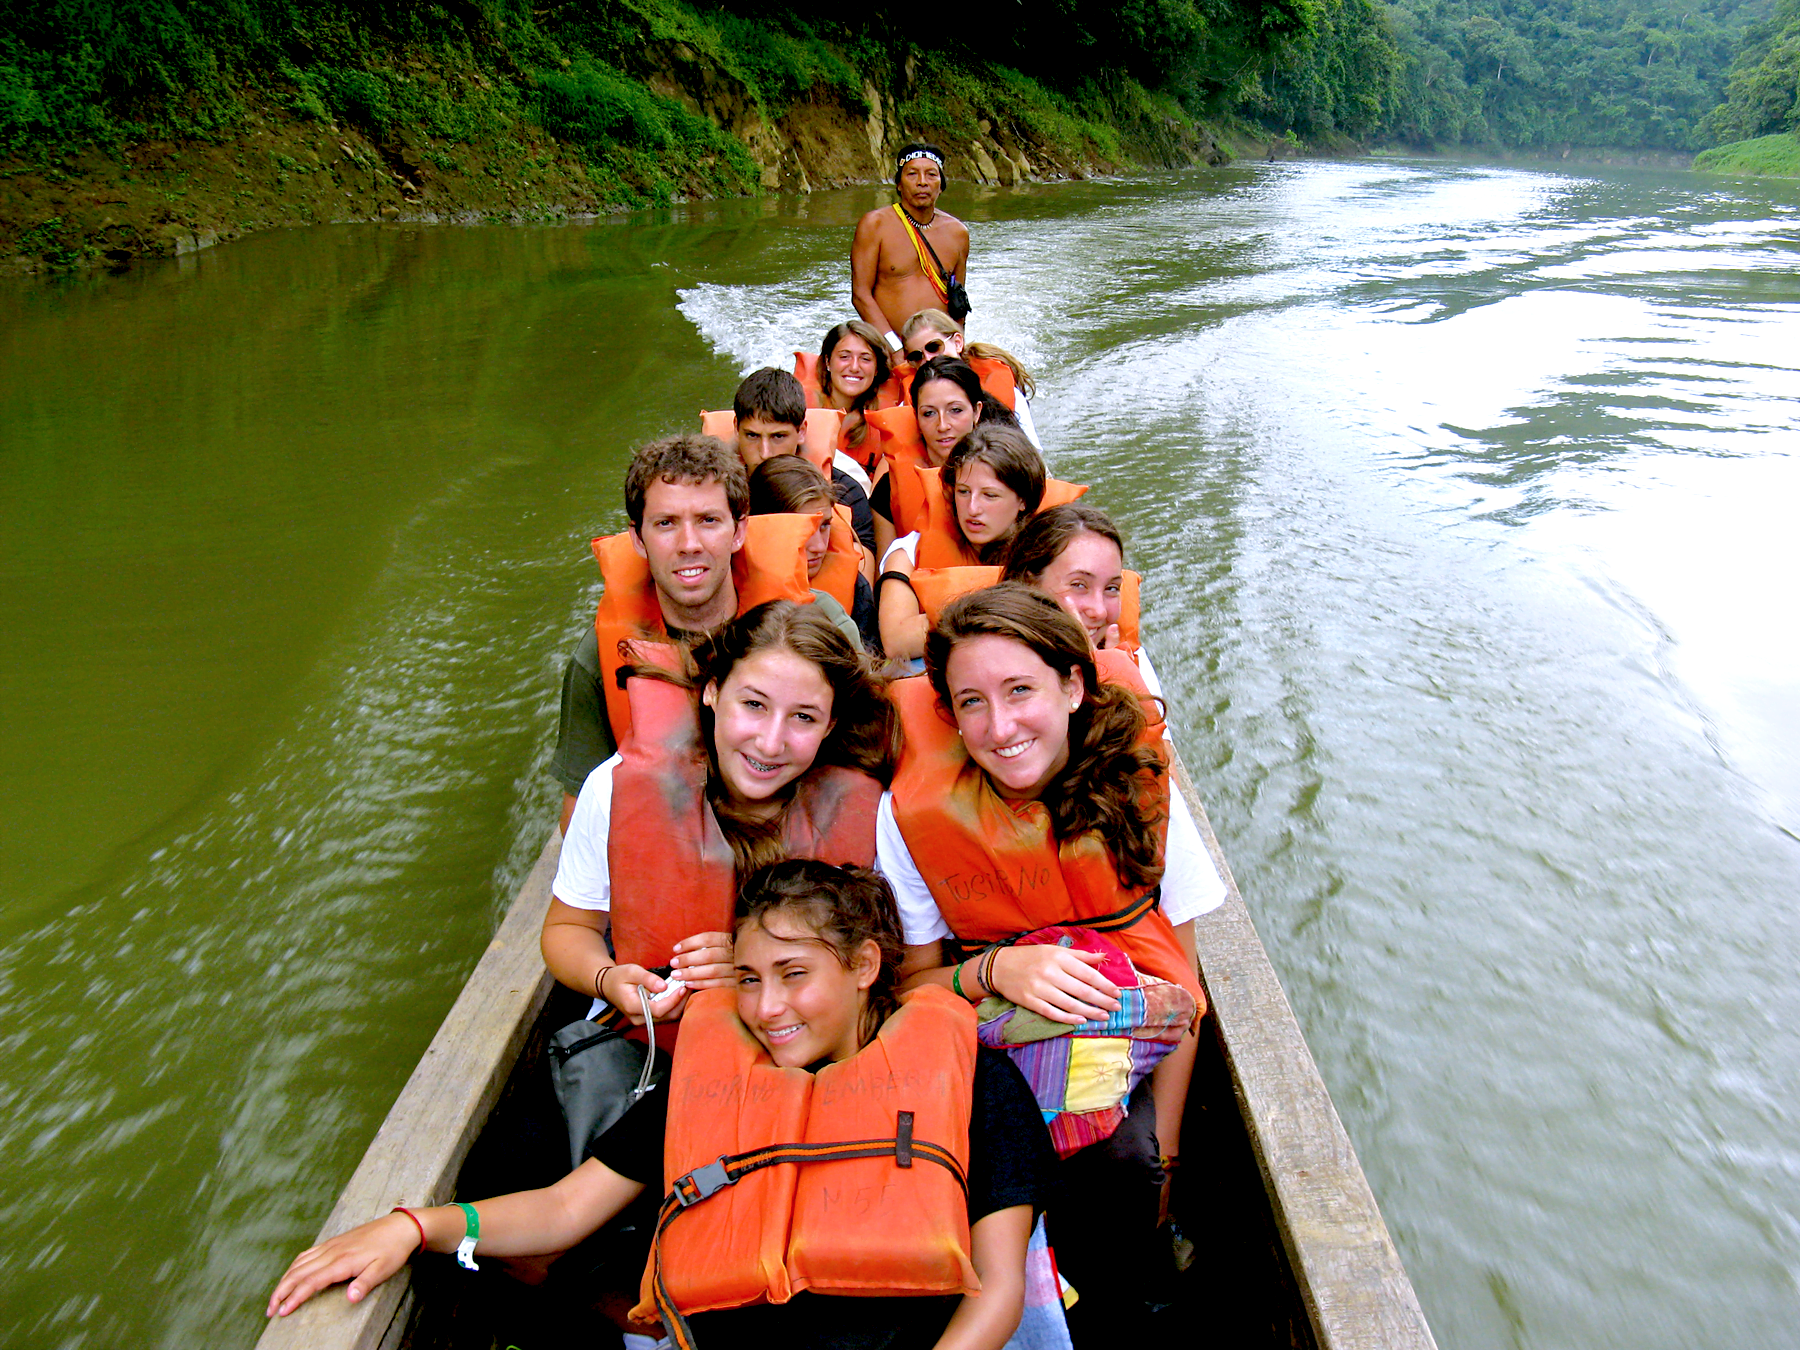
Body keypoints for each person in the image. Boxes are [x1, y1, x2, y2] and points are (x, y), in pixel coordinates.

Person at [268, 860, 1055, 1350]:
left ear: (863, 966)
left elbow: (998, 1293)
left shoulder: (974, 1082)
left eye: (793, 974)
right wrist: (417, 1225)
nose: (767, 1006)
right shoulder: (713, 1083)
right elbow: (564, 1210)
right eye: (746, 979)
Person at [876, 584, 1220, 1338]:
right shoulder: (911, 814)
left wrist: (1169, 1154)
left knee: (1126, 1156)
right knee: (993, 1143)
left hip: (1126, 1026)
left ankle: (1120, 1303)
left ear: (1071, 686)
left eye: (1020, 690)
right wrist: (996, 971)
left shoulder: (1142, 785)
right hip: (986, 1028)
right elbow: (912, 989)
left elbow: (1183, 990)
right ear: (948, 711)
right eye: (971, 701)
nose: (999, 727)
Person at [544, 601, 897, 1030]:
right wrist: (607, 979)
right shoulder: (616, 788)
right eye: (753, 705)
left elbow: (882, 968)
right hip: (656, 1049)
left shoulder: (872, 810)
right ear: (712, 690)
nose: (770, 743)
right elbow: (567, 928)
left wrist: (751, 967)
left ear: (829, 725)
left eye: (803, 717)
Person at [550, 435, 860, 833]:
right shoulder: (599, 658)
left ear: (738, 530)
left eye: (708, 520)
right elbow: (577, 818)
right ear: (638, 539)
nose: (689, 545)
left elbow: (869, 755)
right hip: (673, 856)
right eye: (666, 524)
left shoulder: (820, 621)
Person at [877, 425, 1045, 662]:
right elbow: (897, 642)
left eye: (990, 495)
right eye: (964, 492)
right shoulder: (907, 553)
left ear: (1023, 501)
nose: (973, 509)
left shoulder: (1047, 554)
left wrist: (941, 615)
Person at [865, 355, 1016, 557]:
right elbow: (883, 574)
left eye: (955, 410)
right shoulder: (889, 490)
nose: (943, 425)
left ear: (976, 412)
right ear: (916, 417)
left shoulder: (1013, 476)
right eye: (929, 413)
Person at [718, 366, 878, 554]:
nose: (765, 453)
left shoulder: (847, 493)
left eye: (778, 436)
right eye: (752, 436)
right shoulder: (719, 494)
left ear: (801, 431)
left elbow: (862, 574)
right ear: (737, 429)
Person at [750, 455, 880, 653]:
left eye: (825, 526)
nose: (819, 546)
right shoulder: (723, 586)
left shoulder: (857, 588)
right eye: (804, 529)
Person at [851, 143, 970, 344]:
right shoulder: (875, 225)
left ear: (941, 185)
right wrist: (895, 348)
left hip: (939, 350)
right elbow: (861, 295)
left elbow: (958, 302)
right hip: (888, 346)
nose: (922, 182)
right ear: (899, 183)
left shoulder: (958, 233)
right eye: (912, 174)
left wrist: (955, 347)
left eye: (931, 175)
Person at [898, 309, 1042, 449]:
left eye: (934, 347)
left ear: (958, 342)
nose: (928, 358)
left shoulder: (1010, 393)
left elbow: (1033, 455)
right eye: (916, 356)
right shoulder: (907, 404)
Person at [799, 319, 902, 468]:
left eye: (865, 359)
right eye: (844, 357)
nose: (854, 367)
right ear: (828, 362)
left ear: (877, 368)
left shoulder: (890, 419)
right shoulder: (798, 407)